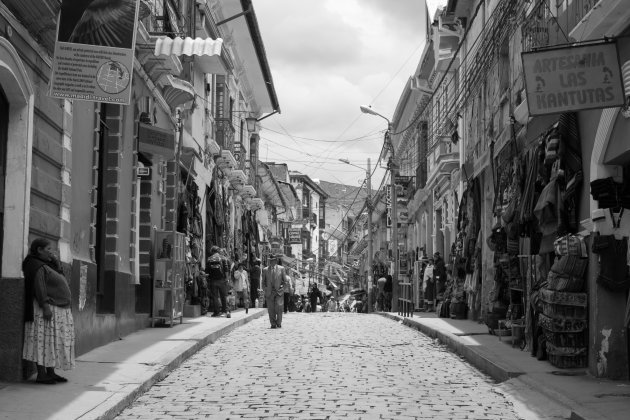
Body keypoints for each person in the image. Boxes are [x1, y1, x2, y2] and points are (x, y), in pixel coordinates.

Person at [22, 238, 75, 384]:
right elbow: (39, 287)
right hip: (45, 309)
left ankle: (51, 372)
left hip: (57, 308)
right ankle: (41, 374)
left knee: (52, 342)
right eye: (48, 249)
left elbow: (60, 277)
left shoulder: (47, 264)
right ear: (39, 250)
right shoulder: (35, 265)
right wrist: (45, 306)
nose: (51, 252)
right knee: (43, 341)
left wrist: (57, 264)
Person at [262, 254, 286, 328]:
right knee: (271, 309)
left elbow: (285, 281)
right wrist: (265, 290)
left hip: (279, 292)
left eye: (273, 260)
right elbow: (263, 282)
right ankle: (273, 323)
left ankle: (279, 322)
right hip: (269, 292)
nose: (271, 262)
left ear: (276, 261)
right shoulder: (265, 270)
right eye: (270, 260)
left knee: (279, 308)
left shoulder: (281, 269)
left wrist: (282, 289)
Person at [206, 246, 231, 318]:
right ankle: (224, 311)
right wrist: (227, 278)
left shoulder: (209, 259)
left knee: (215, 297)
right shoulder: (223, 258)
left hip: (213, 280)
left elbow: (207, 271)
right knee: (223, 296)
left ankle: (216, 312)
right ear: (218, 251)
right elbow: (226, 269)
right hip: (222, 280)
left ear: (212, 251)